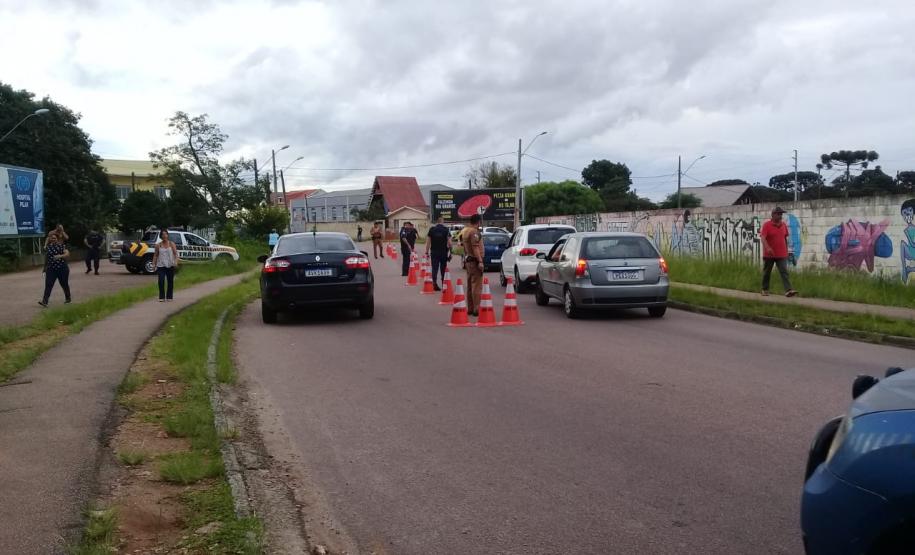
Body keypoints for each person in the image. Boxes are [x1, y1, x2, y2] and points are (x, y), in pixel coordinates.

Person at [760, 207, 797, 297]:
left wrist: (788, 251)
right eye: (778, 214)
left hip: (782, 254)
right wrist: (767, 248)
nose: (780, 216)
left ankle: (789, 290)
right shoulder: (766, 225)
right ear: (773, 215)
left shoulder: (783, 225)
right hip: (769, 254)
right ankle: (765, 289)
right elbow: (763, 238)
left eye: (781, 214)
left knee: (784, 272)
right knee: (767, 272)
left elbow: (785, 238)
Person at [39, 231, 71, 307]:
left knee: (64, 284)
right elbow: (47, 259)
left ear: (57, 239)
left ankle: (68, 298)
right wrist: (44, 269)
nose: (53, 239)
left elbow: (67, 253)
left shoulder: (61, 246)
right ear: (50, 239)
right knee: (48, 284)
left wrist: (60, 256)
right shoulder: (48, 247)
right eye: (52, 238)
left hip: (62, 268)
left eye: (55, 238)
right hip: (51, 269)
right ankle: (45, 301)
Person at [461, 214, 484, 317]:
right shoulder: (474, 232)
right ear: (478, 222)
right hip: (474, 261)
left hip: (469, 260)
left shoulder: (465, 231)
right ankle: (476, 309)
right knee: (477, 286)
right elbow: (475, 247)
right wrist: (480, 261)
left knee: (470, 285)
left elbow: (464, 247)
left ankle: (470, 308)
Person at [152, 229, 179, 302]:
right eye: (162, 234)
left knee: (170, 281)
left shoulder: (171, 244)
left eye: (165, 234)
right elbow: (155, 255)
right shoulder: (158, 245)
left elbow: (176, 254)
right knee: (161, 280)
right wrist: (153, 264)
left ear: (167, 235)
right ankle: (162, 297)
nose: (164, 236)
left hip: (170, 265)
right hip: (161, 266)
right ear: (161, 236)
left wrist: (176, 262)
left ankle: (169, 297)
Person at [425, 216, 452, 291]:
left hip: (434, 252)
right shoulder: (446, 230)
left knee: (434, 268)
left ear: (437, 222)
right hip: (443, 252)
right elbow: (449, 243)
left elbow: (428, 242)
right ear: (442, 221)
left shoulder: (432, 229)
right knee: (443, 268)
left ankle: (434, 283)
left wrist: (427, 252)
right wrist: (451, 252)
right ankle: (444, 283)